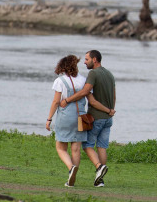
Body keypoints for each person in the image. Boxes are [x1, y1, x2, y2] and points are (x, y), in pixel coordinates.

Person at [46, 54, 112, 187]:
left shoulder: (60, 81)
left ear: (62, 66)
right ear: (75, 66)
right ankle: (73, 175)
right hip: (81, 117)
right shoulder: (83, 80)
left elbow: (55, 102)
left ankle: (71, 169)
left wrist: (49, 119)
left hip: (65, 117)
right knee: (76, 149)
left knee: (60, 147)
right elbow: (91, 99)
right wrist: (108, 110)